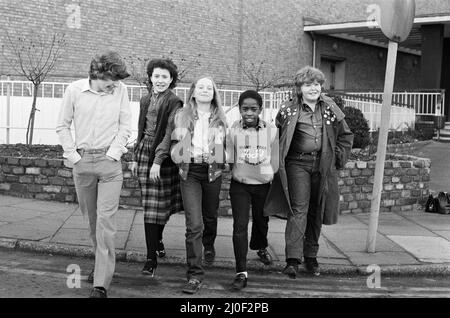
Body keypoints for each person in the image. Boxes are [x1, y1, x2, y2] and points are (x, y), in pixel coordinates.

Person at [264, 66, 353, 279]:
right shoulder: (288, 109)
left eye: (316, 84)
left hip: (322, 166)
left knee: (317, 209)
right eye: (307, 84)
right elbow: (277, 135)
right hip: (297, 165)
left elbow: (346, 135)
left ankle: (311, 256)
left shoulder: (331, 107)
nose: (313, 88)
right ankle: (293, 260)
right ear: (299, 88)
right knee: (299, 209)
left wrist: (336, 158)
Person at [56, 51, 132, 298]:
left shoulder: (120, 90)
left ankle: (101, 283)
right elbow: (62, 125)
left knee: (105, 224)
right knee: (92, 222)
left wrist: (114, 153)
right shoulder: (74, 90)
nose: (115, 83)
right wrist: (74, 156)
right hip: (83, 162)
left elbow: (125, 125)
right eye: (112, 78)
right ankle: (101, 265)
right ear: (99, 74)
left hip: (110, 166)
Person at [170, 76, 226, 294]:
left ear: (213, 93)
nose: (204, 90)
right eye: (200, 87)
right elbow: (174, 142)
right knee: (194, 224)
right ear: (193, 92)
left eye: (209, 87)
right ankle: (194, 275)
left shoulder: (221, 118)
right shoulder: (181, 116)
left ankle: (209, 244)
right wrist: (178, 153)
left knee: (210, 216)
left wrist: (222, 154)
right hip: (190, 171)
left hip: (213, 170)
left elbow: (226, 147)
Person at [130, 58, 183, 277]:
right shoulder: (144, 100)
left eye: (164, 76)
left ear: (171, 80)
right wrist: (134, 157)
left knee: (163, 206)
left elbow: (170, 132)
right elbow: (140, 129)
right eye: (156, 76)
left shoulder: (175, 102)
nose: (159, 80)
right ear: (150, 77)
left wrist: (157, 162)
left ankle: (158, 238)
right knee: (150, 207)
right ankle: (151, 258)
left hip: (165, 156)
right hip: (144, 152)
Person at [226, 90, 279, 291]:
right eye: (245, 109)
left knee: (261, 221)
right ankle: (241, 271)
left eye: (253, 109)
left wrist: (266, 173)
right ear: (239, 109)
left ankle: (260, 246)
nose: (249, 112)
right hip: (240, 185)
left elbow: (275, 159)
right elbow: (230, 157)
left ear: (260, 110)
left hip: (263, 185)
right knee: (239, 226)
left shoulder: (272, 131)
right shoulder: (233, 130)